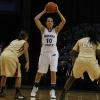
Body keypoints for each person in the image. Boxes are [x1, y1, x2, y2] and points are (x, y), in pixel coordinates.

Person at [31, 5, 66, 99]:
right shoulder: (43, 29)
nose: (50, 22)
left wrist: (57, 11)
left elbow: (64, 21)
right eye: (48, 21)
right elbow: (35, 19)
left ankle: (53, 90)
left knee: (53, 71)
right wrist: (44, 11)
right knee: (40, 72)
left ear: (53, 23)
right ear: (46, 23)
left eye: (51, 21)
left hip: (54, 53)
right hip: (44, 53)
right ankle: (35, 87)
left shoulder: (56, 30)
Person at [59, 30, 100, 100]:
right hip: (91, 61)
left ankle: (63, 94)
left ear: (85, 35)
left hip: (80, 60)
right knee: (99, 77)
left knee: (72, 78)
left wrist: (74, 60)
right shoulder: (96, 42)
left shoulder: (80, 40)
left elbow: (72, 53)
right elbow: (99, 55)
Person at [0, 30, 29, 99]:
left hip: (3, 55)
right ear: (26, 37)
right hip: (11, 55)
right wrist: (28, 61)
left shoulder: (14, 41)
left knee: (4, 74)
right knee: (18, 75)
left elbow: (4, 49)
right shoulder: (25, 42)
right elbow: (25, 50)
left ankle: (1, 91)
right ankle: (17, 93)